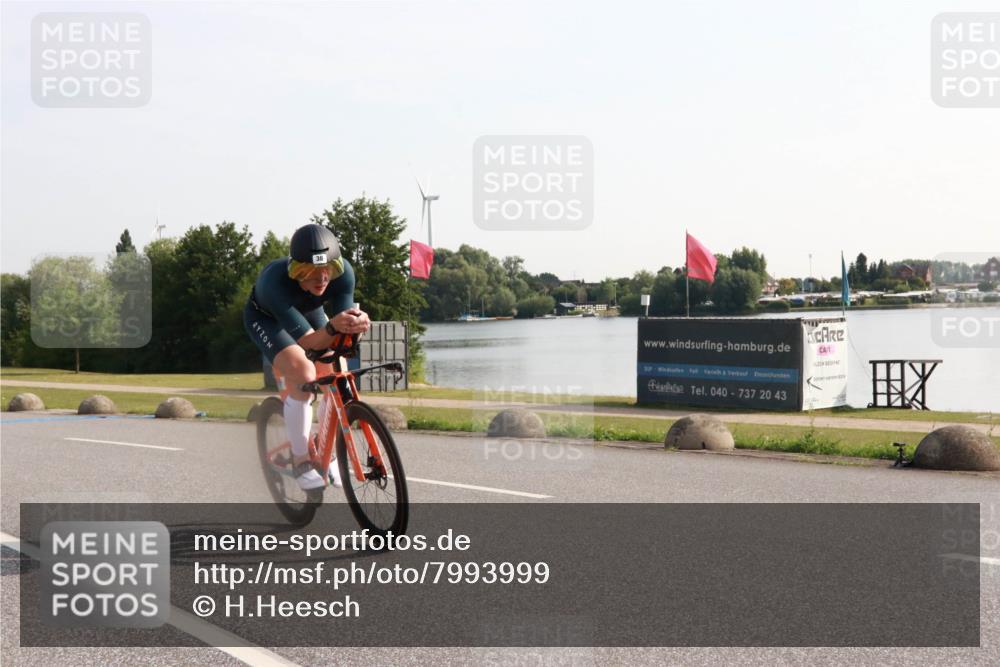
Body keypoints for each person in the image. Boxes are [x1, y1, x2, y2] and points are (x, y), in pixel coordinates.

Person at [244, 223, 371, 490]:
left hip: (308, 310)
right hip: (267, 319)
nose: (322, 278)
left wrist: (356, 324)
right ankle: (301, 460)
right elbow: (310, 344)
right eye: (311, 272)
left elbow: (342, 330)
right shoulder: (274, 284)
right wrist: (333, 327)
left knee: (336, 375)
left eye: (328, 270)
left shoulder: (344, 274)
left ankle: (327, 451)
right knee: (304, 372)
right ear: (296, 271)